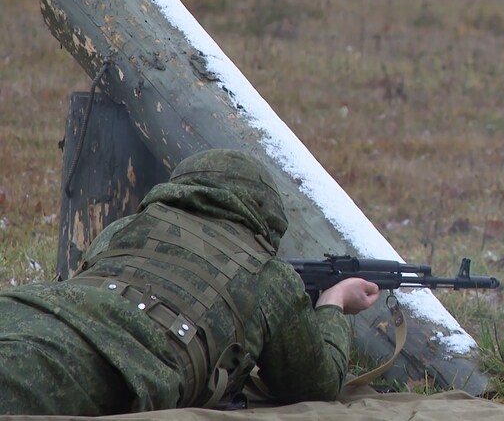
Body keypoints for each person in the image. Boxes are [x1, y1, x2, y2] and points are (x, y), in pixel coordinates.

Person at [0, 149, 380, 416]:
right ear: (264, 216)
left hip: (27, 306)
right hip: (110, 355)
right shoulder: (267, 275)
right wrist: (333, 304)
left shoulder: (124, 228)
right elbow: (316, 384)